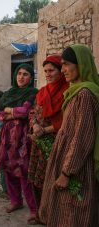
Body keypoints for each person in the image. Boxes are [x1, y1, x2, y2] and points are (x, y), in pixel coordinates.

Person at [39, 44, 99, 226]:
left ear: (80, 64)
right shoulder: (76, 91)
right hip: (67, 159)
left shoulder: (85, 95)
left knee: (73, 212)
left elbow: (82, 137)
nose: (63, 69)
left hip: (76, 167)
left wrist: (67, 172)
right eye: (62, 64)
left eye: (66, 64)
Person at [0, 64, 38, 225]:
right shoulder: (8, 93)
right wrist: (11, 113)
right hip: (7, 138)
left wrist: (10, 111)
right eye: (19, 73)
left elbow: (26, 111)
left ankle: (34, 208)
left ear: (30, 78)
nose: (21, 77)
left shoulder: (33, 93)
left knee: (24, 172)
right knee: (9, 169)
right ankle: (16, 201)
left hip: (22, 138)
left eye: (25, 74)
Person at [27, 55, 69, 210]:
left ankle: (52, 214)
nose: (48, 74)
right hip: (39, 143)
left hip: (56, 144)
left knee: (52, 179)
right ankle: (40, 212)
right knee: (38, 181)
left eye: (51, 70)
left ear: (61, 71)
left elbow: (66, 121)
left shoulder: (68, 92)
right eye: (45, 71)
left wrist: (45, 130)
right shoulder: (42, 91)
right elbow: (33, 112)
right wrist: (35, 125)